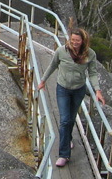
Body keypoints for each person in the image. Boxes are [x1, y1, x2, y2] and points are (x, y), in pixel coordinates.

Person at [38, 23, 105, 168]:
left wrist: (97, 90)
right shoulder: (62, 51)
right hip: (63, 89)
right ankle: (64, 154)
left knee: (71, 118)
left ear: (83, 41)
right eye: (72, 40)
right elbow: (52, 65)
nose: (74, 43)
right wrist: (43, 81)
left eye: (77, 40)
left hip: (78, 90)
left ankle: (67, 138)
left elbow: (92, 73)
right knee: (64, 120)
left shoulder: (89, 54)